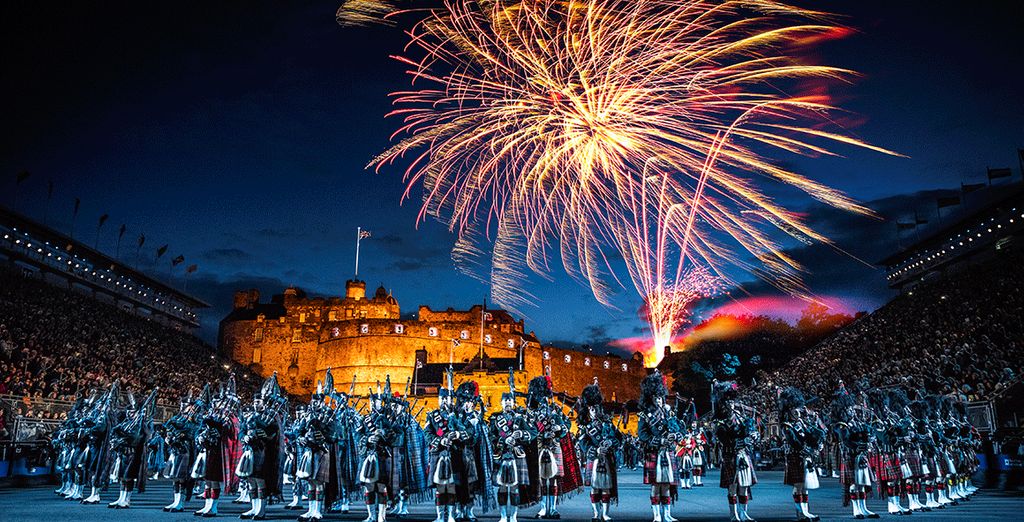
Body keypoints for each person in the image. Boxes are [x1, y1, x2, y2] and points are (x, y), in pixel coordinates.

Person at [236, 373, 287, 520]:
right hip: (249, 451)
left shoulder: (271, 416)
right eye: (254, 402)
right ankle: (253, 508)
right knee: (250, 480)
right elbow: (242, 431)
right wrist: (244, 437)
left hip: (262, 451)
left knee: (259, 480)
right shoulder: (251, 416)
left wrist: (265, 435)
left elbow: (276, 434)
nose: (255, 404)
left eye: (258, 402)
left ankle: (261, 510)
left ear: (263, 403)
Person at [526, 375, 576, 520]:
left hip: (554, 445)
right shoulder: (532, 412)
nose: (544, 401)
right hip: (539, 447)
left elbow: (567, 425)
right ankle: (542, 509)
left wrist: (559, 427)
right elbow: (529, 429)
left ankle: (553, 509)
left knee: (553, 479)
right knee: (541, 479)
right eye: (541, 398)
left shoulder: (556, 410)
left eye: (545, 398)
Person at [489, 370, 536, 522]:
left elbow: (533, 432)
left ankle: (513, 517)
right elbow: (491, 436)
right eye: (505, 401)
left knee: (515, 489)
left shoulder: (520, 419)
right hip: (502, 455)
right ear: (501, 403)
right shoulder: (496, 419)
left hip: (517, 455)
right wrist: (503, 441)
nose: (508, 403)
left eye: (510, 401)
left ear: (513, 403)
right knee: (502, 489)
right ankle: (503, 516)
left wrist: (521, 435)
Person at [295, 370, 342, 521]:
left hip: (323, 450)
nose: (314, 403)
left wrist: (325, 437)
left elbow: (334, 434)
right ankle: (310, 510)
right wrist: (301, 438)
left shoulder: (329, 414)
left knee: (319, 482)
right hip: (309, 450)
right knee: (310, 482)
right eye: (313, 401)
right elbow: (299, 430)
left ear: (322, 402)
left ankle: (317, 511)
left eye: (317, 401)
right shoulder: (309, 414)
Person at [192, 377, 241, 518]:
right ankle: (206, 505)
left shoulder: (231, 416)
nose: (216, 404)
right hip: (210, 448)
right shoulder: (213, 413)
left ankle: (213, 507)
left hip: (221, 450)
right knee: (208, 480)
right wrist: (203, 435)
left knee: (214, 479)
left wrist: (219, 428)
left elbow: (233, 432)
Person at [638, 370, 683, 522]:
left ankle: (667, 514)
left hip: (668, 453)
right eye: (656, 398)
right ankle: (656, 515)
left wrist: (675, 436)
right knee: (656, 486)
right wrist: (659, 441)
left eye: (661, 397)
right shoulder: (645, 415)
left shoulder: (668, 414)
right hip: (655, 452)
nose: (659, 400)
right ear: (652, 398)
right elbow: (642, 435)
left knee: (666, 486)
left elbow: (679, 429)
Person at [358, 376, 403, 522]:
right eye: (371, 402)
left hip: (383, 456)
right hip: (369, 456)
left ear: (381, 403)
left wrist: (384, 434)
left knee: (382, 487)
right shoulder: (365, 420)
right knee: (369, 487)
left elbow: (398, 437)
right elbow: (358, 437)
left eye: (375, 402)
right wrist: (368, 439)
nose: (372, 404)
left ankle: (381, 516)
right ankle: (371, 515)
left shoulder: (388, 419)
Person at [712, 380, 758, 522]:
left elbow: (748, 432)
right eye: (728, 401)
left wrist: (753, 435)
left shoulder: (739, 416)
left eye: (732, 401)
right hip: (730, 455)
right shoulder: (720, 421)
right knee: (732, 487)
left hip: (743, 454)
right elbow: (724, 439)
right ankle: (734, 515)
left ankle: (744, 514)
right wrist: (741, 439)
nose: (731, 404)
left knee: (744, 486)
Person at [778, 387, 824, 521]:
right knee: (798, 485)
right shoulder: (787, 425)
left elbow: (811, 434)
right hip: (795, 456)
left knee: (805, 486)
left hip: (805, 456)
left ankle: (806, 511)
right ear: (789, 410)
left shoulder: (801, 422)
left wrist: (817, 441)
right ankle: (800, 513)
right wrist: (806, 448)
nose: (798, 411)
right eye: (794, 408)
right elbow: (794, 441)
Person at [577, 379, 620, 522]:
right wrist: (594, 451)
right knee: (595, 488)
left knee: (607, 488)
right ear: (588, 410)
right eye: (591, 409)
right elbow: (583, 443)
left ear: (599, 408)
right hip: (594, 459)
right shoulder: (586, 427)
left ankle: (605, 514)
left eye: (595, 408)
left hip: (607, 459)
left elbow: (618, 439)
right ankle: (596, 513)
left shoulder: (608, 424)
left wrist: (610, 443)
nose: (593, 411)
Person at [106, 389, 158, 509]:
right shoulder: (126, 423)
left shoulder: (141, 424)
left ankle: (127, 499)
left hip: (132, 454)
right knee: (121, 477)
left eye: (132, 412)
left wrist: (124, 436)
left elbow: (139, 437)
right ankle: (120, 498)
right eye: (129, 412)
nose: (130, 414)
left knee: (128, 478)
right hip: (122, 454)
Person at [833, 383, 878, 520]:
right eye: (849, 409)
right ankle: (856, 509)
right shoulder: (842, 425)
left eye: (851, 409)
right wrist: (858, 445)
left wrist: (869, 438)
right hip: (851, 455)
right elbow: (845, 440)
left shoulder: (857, 423)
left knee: (862, 483)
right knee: (853, 484)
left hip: (861, 455)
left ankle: (863, 508)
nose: (852, 411)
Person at [162, 386, 206, 513]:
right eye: (181, 405)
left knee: (182, 478)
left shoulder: (196, 418)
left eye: (185, 405)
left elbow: (194, 432)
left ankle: (180, 503)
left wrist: (180, 433)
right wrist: (169, 436)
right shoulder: (178, 417)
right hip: (176, 450)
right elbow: (168, 426)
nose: (182, 407)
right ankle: (175, 501)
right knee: (175, 477)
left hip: (187, 449)